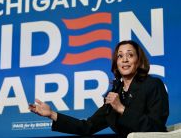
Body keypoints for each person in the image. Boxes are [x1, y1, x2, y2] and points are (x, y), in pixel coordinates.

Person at [29, 40, 169, 138]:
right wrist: (52, 114)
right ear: (116, 62)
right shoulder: (114, 93)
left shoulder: (152, 85)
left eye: (130, 55)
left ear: (138, 61)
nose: (124, 59)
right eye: (120, 56)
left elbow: (156, 129)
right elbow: (87, 127)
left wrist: (121, 109)